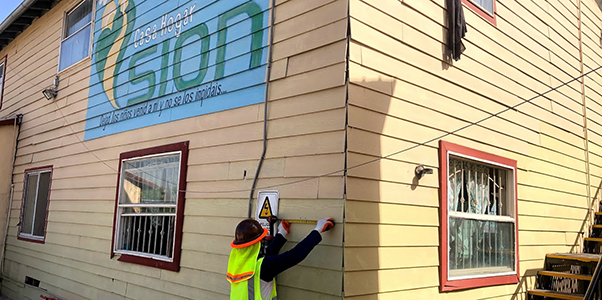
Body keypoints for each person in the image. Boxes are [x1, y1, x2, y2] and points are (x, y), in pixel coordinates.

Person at [226, 217, 335, 300]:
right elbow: (295, 255)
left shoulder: (237, 263)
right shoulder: (263, 267)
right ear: (258, 243)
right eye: (262, 240)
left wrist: (281, 234)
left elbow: (267, 256)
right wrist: (317, 230)